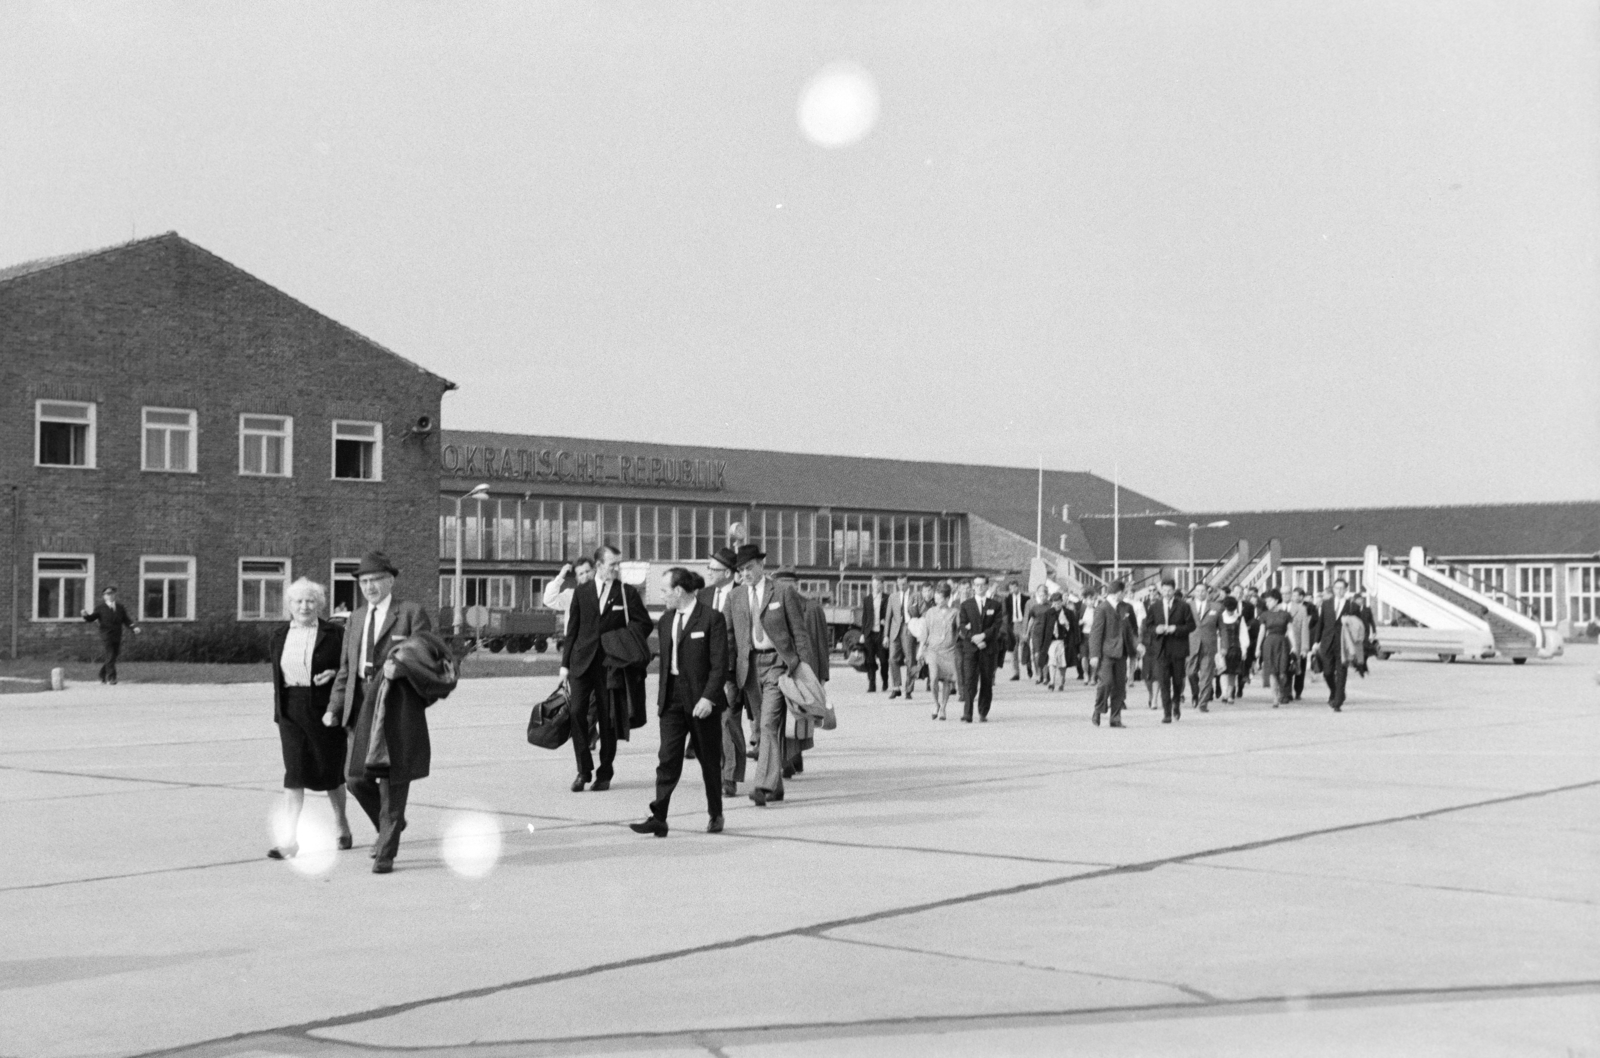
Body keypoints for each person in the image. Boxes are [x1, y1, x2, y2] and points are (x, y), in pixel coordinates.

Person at [327, 551, 434, 873]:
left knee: (391, 781)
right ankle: (391, 825)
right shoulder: (356, 618)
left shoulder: (411, 613)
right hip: (360, 704)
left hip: (395, 705)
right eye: (364, 581)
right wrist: (335, 707)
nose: (370, 586)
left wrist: (400, 666)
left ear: (390, 580)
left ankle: (386, 850)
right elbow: (346, 668)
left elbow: (429, 655)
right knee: (355, 779)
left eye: (376, 580)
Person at [630, 568, 728, 837]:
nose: (662, 596)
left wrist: (709, 697)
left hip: (701, 701)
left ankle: (715, 813)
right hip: (671, 699)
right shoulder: (665, 621)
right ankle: (658, 817)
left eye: (664, 591)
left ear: (679, 591)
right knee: (667, 758)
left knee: (708, 760)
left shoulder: (711, 619)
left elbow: (720, 665)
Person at [266, 578, 351, 860]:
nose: (304, 606)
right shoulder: (279, 636)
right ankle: (289, 839)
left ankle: (341, 825)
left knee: (331, 773)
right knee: (294, 775)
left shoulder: (335, 633)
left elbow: (348, 667)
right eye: (298, 601)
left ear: (320, 604)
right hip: (291, 711)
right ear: (290, 605)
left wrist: (333, 674)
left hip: (325, 710)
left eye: (310, 601)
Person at [727, 544, 815, 806]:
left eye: (750, 567)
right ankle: (776, 788)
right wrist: (729, 674)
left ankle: (763, 785)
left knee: (768, 723)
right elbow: (730, 638)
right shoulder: (736, 597)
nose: (746, 573)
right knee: (765, 727)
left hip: (778, 664)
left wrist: (804, 671)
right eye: (741, 570)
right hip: (750, 668)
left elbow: (799, 633)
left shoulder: (783, 591)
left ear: (761, 566)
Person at [559, 544, 651, 792]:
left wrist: (620, 641)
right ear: (599, 566)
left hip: (611, 664)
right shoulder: (582, 591)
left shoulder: (626, 593)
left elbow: (644, 624)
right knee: (577, 712)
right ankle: (583, 771)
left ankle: (605, 772)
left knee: (608, 719)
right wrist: (564, 665)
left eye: (618, 564)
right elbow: (573, 630)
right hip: (582, 662)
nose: (616, 568)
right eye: (612, 564)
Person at [699, 546, 745, 797]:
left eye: (713, 569)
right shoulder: (703, 595)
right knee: (709, 724)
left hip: (732, 670)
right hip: (704, 670)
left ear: (727, 572)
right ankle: (717, 770)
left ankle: (730, 776)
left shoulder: (742, 595)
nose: (709, 573)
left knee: (728, 721)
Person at [1141, 577, 1196, 723]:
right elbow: (1148, 626)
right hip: (1161, 649)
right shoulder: (1154, 606)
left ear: (1174, 590)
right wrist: (1156, 629)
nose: (1166, 593)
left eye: (1169, 590)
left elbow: (1191, 626)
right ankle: (1167, 712)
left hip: (1178, 649)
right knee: (1163, 681)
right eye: (1164, 590)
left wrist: (1176, 629)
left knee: (1178, 681)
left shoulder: (1184, 606)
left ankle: (1176, 702)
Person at [1087, 578, 1139, 727]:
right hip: (1106, 653)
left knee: (1119, 687)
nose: (1124, 595)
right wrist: (1094, 655)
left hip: (1122, 652)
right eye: (1123, 593)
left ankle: (1115, 718)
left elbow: (1132, 630)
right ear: (1118, 593)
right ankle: (1098, 709)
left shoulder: (1127, 608)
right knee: (1106, 683)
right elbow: (1096, 633)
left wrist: (1137, 644)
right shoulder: (1102, 608)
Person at [956, 573, 1003, 722]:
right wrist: (974, 638)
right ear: (973, 587)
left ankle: (983, 711)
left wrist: (984, 636)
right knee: (969, 679)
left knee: (987, 681)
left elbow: (996, 626)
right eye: (976, 585)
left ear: (987, 586)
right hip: (971, 648)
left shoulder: (995, 605)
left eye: (982, 585)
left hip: (988, 648)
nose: (979, 588)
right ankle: (967, 713)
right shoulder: (966, 605)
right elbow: (962, 627)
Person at [1317, 578, 1362, 711]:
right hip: (1327, 642)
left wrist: (1348, 621)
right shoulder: (1326, 604)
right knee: (1328, 672)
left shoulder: (1352, 606)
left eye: (1342, 588)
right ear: (1334, 589)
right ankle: (1335, 690)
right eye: (1337, 588)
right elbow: (1321, 623)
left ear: (1346, 590)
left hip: (1344, 644)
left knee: (1342, 671)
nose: (1339, 591)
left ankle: (1338, 701)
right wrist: (1316, 641)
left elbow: (1359, 626)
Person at [919, 583, 961, 720]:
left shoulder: (954, 613)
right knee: (933, 678)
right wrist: (920, 650)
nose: (936, 600)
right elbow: (925, 632)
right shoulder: (930, 612)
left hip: (948, 651)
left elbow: (960, 630)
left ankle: (943, 707)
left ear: (947, 598)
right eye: (936, 597)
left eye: (940, 598)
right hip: (933, 651)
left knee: (947, 681)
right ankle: (935, 703)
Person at [82, 586, 139, 684]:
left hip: (117, 634)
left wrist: (133, 627)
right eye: (107, 594)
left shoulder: (120, 607)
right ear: (104, 596)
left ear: (114, 595)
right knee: (110, 654)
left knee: (113, 656)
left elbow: (126, 619)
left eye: (112, 594)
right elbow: (91, 618)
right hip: (106, 635)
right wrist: (85, 615)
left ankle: (102, 674)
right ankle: (112, 678)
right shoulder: (100, 608)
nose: (110, 596)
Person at [1257, 589, 1294, 706]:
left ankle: (1283, 692)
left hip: (1283, 643)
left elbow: (1291, 631)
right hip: (1269, 643)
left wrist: (1294, 646)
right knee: (1272, 671)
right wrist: (1257, 647)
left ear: (1277, 600)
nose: (1267, 603)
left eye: (1269, 601)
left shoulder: (1285, 615)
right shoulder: (1264, 615)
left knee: (1282, 670)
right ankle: (1275, 698)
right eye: (1266, 601)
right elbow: (1262, 632)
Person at [541, 556, 595, 634]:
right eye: (581, 574)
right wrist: (560, 576)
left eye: (588, 571)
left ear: (594, 571)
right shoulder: (571, 596)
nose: (585, 576)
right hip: (576, 642)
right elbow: (549, 600)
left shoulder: (605, 593)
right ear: (577, 578)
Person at [1189, 589, 1222, 713]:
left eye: (1203, 591)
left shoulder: (1217, 607)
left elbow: (1222, 628)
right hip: (1191, 644)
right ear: (1194, 593)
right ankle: (1195, 692)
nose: (1200, 593)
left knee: (1206, 675)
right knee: (1191, 672)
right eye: (1198, 591)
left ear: (1207, 593)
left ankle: (1203, 703)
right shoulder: (1188, 606)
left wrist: (1223, 646)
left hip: (1209, 645)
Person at [1288, 587, 1318, 700]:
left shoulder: (1307, 608)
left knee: (1300, 669)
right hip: (1291, 642)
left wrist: (1305, 647)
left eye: (1296, 595)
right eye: (1293, 595)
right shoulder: (1287, 608)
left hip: (1302, 641)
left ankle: (1298, 691)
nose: (1294, 597)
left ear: (1301, 597)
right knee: (1289, 667)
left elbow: (1308, 627)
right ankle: (1288, 691)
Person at [862, 576, 890, 693]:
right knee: (870, 660)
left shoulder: (887, 598)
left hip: (881, 633)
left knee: (883, 660)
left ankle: (885, 680)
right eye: (874, 585)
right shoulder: (867, 599)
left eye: (878, 584)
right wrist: (863, 633)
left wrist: (886, 633)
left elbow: (890, 615)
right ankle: (871, 684)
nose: (876, 587)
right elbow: (864, 617)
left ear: (882, 585)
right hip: (870, 633)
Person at [886, 574, 912, 699]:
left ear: (908, 584)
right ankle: (896, 687)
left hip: (908, 629)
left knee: (910, 660)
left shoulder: (915, 596)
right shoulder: (893, 597)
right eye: (899, 584)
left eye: (904, 584)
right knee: (892, 658)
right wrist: (886, 635)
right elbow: (888, 618)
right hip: (895, 631)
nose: (901, 586)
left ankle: (908, 689)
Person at [1218, 596, 1246, 701]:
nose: (1230, 611)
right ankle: (1224, 693)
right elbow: (1218, 635)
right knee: (1223, 671)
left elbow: (1243, 634)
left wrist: (1244, 649)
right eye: (1229, 609)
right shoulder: (1220, 617)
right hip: (1223, 648)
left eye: (1232, 609)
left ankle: (1229, 694)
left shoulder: (1239, 618)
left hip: (1235, 648)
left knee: (1232, 672)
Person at [1002, 576, 1029, 681]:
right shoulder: (1007, 599)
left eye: (1014, 587)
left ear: (1018, 587)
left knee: (1025, 647)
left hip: (1023, 624)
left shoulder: (1025, 598)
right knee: (1014, 650)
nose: (1012, 590)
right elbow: (1005, 613)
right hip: (1013, 625)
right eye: (1010, 588)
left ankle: (1029, 666)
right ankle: (1016, 673)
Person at [1025, 585, 1052, 686]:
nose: (1042, 597)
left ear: (1047, 595)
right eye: (1040, 595)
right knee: (1036, 655)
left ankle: (1045, 677)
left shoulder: (1050, 606)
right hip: (1036, 633)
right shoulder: (1034, 607)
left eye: (1044, 595)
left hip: (1047, 633)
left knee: (1044, 655)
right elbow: (1031, 620)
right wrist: (1027, 632)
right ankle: (1038, 674)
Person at [1044, 592, 1069, 690]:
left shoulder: (1067, 613)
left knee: (1062, 663)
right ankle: (1052, 681)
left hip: (1063, 641)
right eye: (1054, 603)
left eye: (1058, 603)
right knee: (1052, 660)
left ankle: (1062, 681)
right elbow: (1045, 628)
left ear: (1062, 602)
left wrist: (1065, 623)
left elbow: (1072, 629)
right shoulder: (1048, 613)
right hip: (1052, 641)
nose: (1056, 605)